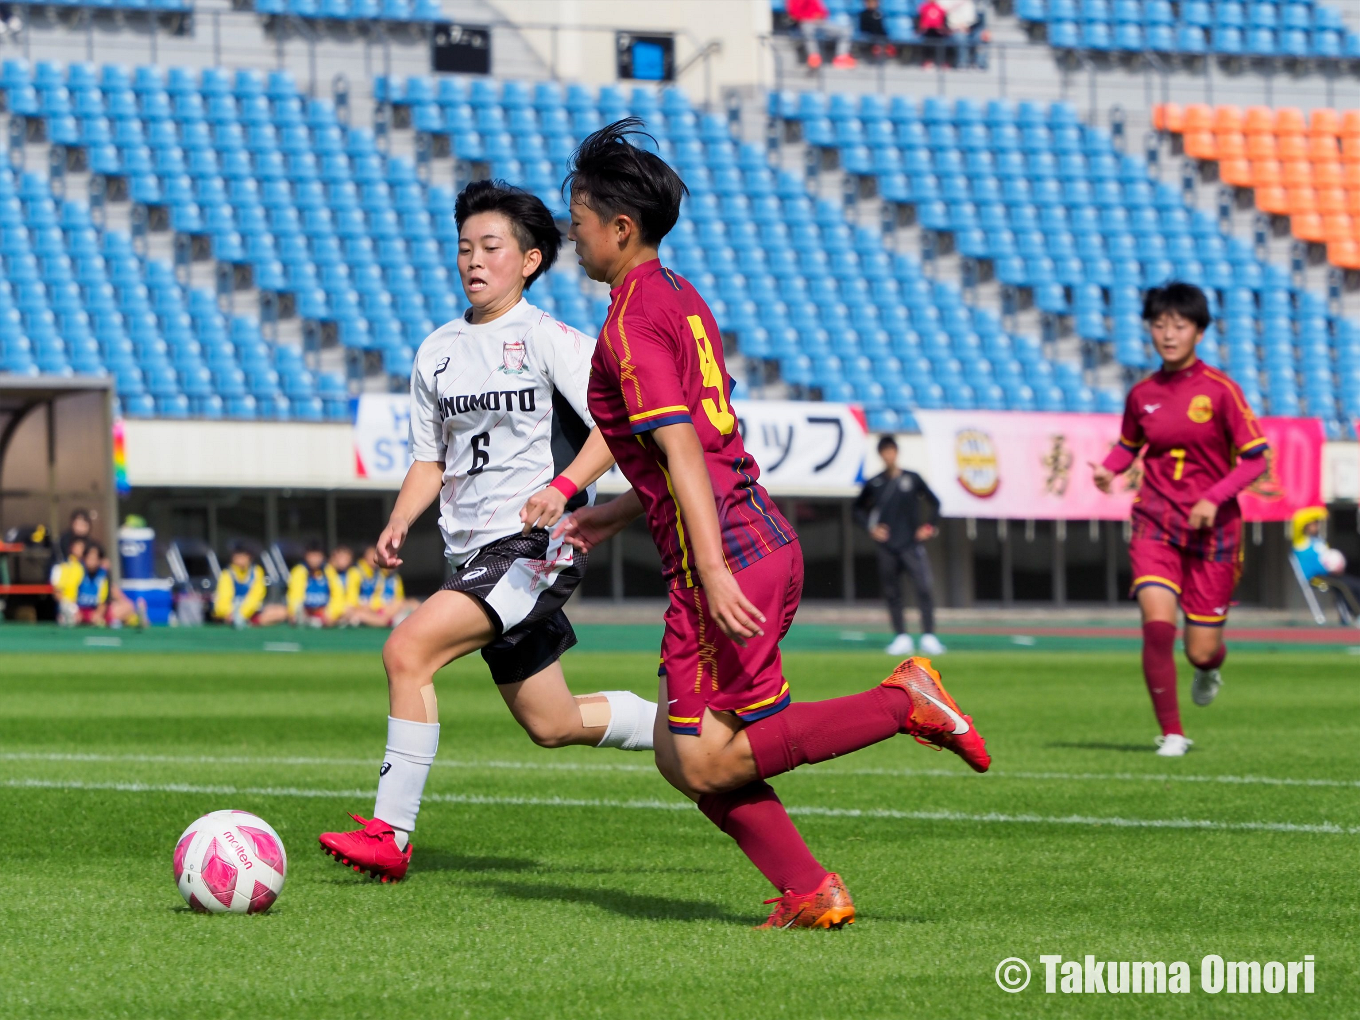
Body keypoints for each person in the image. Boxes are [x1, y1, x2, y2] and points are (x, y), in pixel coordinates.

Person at [556, 119, 990, 929]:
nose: (570, 236)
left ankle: (903, 703)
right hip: (744, 540)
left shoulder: (628, 326)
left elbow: (685, 451)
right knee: (680, 760)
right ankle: (812, 889)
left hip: (727, 560)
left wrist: (712, 571)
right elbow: (690, 449)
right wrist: (615, 514)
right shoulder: (677, 296)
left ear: (620, 228)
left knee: (707, 759)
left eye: (577, 222)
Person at [318, 180, 658, 883]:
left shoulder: (551, 340)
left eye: (491, 247)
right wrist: (400, 518)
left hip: (535, 547)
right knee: (552, 722)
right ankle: (688, 730)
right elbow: (430, 458)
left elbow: (618, 430)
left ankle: (390, 833)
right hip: (471, 555)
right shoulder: (436, 352)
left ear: (530, 260)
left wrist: (564, 487)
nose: (473, 259)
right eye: (465, 247)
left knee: (406, 651)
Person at [1091, 282, 1269, 758]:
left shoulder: (1222, 392)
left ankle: (1210, 668)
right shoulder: (1142, 393)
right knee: (1156, 625)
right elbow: (1128, 445)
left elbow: (1256, 459)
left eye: (1180, 325)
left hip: (1215, 533)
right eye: (1159, 324)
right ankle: (1172, 732)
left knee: (1199, 650)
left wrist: (1213, 497)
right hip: (1155, 523)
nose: (1168, 334)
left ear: (1199, 331)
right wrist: (1108, 470)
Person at [854, 435, 946, 657]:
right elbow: (856, 509)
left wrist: (929, 526)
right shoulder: (875, 483)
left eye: (891, 450)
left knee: (923, 588)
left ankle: (928, 636)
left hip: (911, 545)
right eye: (884, 451)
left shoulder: (912, 479)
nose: (888, 455)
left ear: (896, 452)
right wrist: (871, 528)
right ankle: (901, 636)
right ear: (880, 455)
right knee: (892, 591)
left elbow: (935, 503)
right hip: (887, 546)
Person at [1292, 506, 1360, 620]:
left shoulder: (1320, 541)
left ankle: (1348, 613)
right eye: (1313, 524)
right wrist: (1320, 513)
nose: (1316, 526)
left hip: (1330, 576)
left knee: (1355, 584)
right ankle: (1357, 614)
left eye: (1317, 524)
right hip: (1315, 579)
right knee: (1342, 586)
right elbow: (1298, 520)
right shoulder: (1300, 542)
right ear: (1306, 526)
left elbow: (1329, 558)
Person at [342, 544, 420, 628]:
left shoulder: (385, 575)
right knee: (354, 612)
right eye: (371, 554)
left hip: (381, 607)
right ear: (364, 556)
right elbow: (352, 599)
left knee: (413, 603)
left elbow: (397, 597)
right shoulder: (356, 572)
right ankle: (389, 621)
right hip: (366, 607)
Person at [213, 544, 288, 627]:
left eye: (243, 556)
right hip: (231, 614)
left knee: (282, 611)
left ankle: (250, 622)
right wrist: (231, 614)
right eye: (238, 556)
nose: (241, 559)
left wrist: (242, 614)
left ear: (249, 557)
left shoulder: (256, 572)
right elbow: (223, 598)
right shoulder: (227, 574)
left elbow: (256, 597)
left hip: (251, 613)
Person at [286, 541, 347, 626]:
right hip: (306, 612)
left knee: (346, 612)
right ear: (306, 556)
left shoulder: (329, 571)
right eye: (312, 555)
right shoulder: (299, 571)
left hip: (324, 613)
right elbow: (294, 597)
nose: (314, 559)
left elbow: (338, 595)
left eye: (317, 555)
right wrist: (296, 611)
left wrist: (331, 613)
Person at [787, 0, 856, 69]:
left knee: (845, 31)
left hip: (819, 22)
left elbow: (823, 11)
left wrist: (820, 15)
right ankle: (814, 57)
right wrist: (808, 16)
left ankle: (841, 57)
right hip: (804, 21)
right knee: (808, 29)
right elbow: (794, 13)